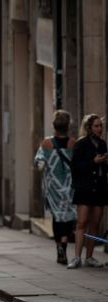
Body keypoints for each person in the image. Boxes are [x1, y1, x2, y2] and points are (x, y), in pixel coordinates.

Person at [34, 110, 77, 265]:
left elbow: (39, 162)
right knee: (68, 216)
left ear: (54, 125)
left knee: (56, 216)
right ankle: (64, 244)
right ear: (68, 127)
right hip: (69, 186)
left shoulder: (46, 143)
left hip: (52, 187)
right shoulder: (73, 143)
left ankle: (59, 246)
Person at [67, 113, 107, 269]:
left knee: (95, 223)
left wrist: (104, 163)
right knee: (82, 222)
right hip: (84, 188)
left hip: (99, 188)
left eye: (101, 125)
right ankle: (77, 257)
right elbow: (76, 168)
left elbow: (103, 168)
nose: (99, 129)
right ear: (89, 128)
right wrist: (94, 162)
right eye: (96, 126)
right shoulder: (81, 144)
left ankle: (89, 257)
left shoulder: (103, 144)